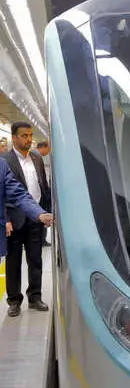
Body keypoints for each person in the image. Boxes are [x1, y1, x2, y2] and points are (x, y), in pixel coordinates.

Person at [3, 122, 53, 317]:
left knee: (35, 259)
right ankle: (14, 301)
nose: (29, 139)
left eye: (30, 135)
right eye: (24, 135)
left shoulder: (37, 158)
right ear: (14, 137)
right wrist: (6, 219)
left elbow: (43, 186)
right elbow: (5, 193)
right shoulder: (5, 160)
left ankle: (35, 297)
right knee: (13, 262)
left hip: (36, 218)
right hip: (15, 220)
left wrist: (46, 210)